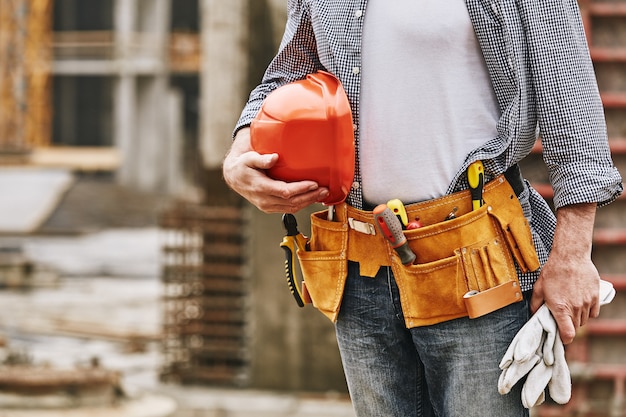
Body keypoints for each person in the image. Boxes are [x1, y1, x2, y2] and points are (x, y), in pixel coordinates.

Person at [222, 1, 623, 416]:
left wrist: (573, 256)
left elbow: (573, 110)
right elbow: (289, 74)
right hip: (361, 266)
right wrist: (240, 152)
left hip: (476, 265)